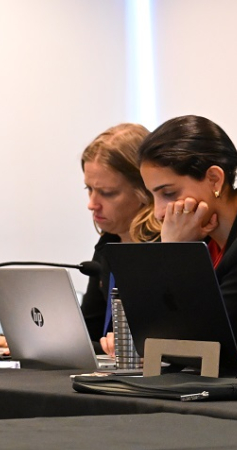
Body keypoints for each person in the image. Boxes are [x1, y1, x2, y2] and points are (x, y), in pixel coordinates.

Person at [136, 115, 237, 347]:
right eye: (153, 196)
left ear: (214, 179)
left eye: (169, 193)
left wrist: (175, 253)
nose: (158, 212)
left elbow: (198, 341)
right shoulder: (205, 240)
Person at [79, 123, 157, 344]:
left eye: (107, 193)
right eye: (89, 189)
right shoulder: (108, 242)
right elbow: (90, 332)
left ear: (145, 191)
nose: (92, 204)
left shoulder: (169, 245)